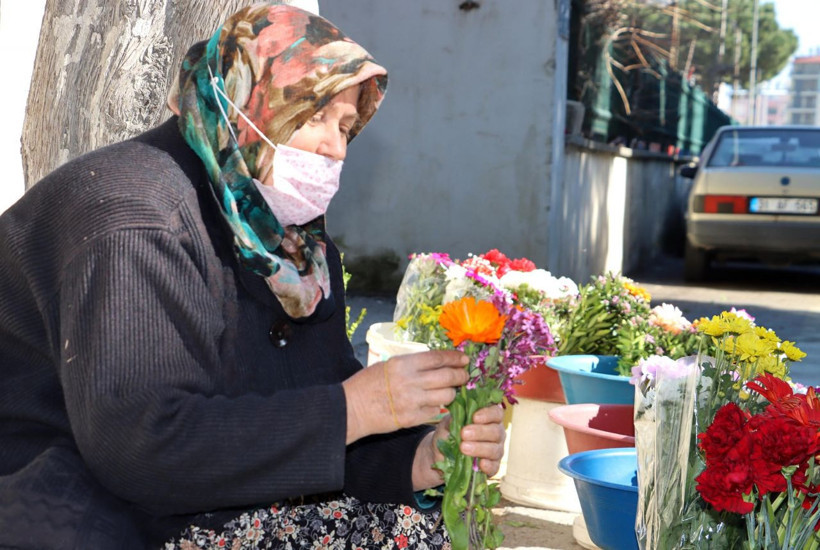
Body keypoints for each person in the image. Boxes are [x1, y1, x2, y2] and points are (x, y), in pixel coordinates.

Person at [0, 3, 505, 548]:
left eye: (345, 126)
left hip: (190, 504)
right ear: (243, 102)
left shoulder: (289, 247)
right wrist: (359, 407)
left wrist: (418, 459)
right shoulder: (136, 219)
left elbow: (305, 420)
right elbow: (142, 446)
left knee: (424, 532)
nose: (336, 149)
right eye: (314, 116)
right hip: (58, 500)